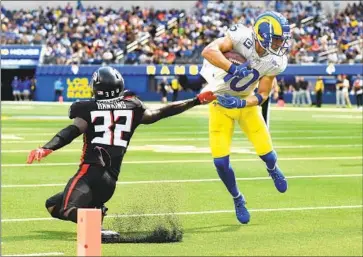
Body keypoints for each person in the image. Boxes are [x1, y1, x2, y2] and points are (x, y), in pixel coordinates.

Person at [26, 66, 215, 241]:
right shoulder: (132, 107)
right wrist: (196, 100)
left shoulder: (86, 108)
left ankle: (97, 231)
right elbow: (161, 112)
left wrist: (47, 147)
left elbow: (72, 130)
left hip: (90, 173)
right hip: (110, 181)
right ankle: (95, 212)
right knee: (53, 205)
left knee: (67, 209)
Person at [199, 11, 289, 224]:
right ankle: (238, 198)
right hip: (219, 102)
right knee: (220, 163)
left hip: (245, 103)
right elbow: (209, 50)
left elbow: (264, 94)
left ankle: (272, 169)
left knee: (267, 154)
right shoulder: (240, 36)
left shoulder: (276, 60)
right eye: (277, 39)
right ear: (262, 34)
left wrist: (241, 103)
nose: (280, 44)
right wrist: (232, 67)